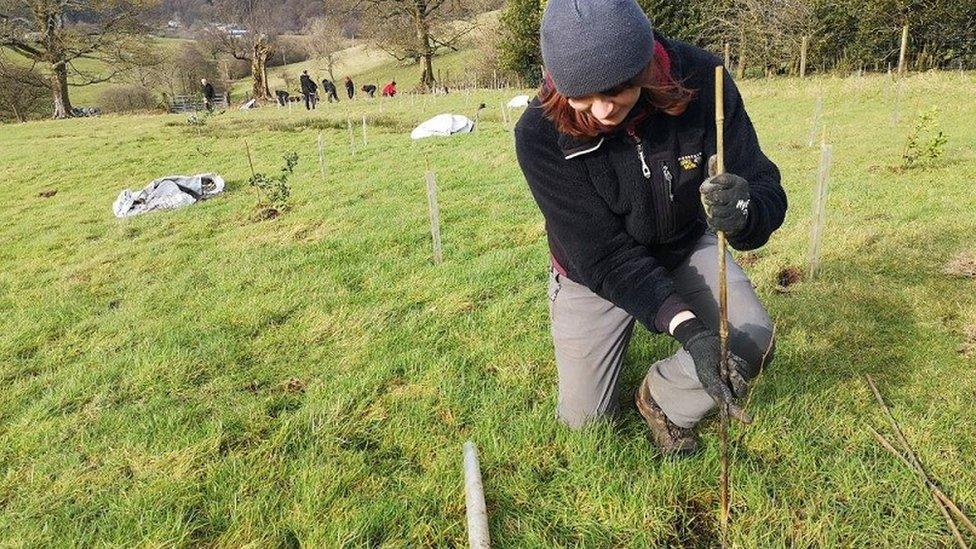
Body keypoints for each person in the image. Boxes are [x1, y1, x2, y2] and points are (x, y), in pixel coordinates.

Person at [514, 0, 786, 457]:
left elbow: (764, 187)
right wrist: (691, 332)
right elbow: (604, 258)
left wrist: (744, 212)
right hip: (595, 274)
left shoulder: (706, 81)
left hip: (682, 245)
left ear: (643, 64)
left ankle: (662, 397)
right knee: (585, 426)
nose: (601, 110)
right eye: (582, 95)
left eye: (617, 89)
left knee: (752, 338)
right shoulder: (539, 133)